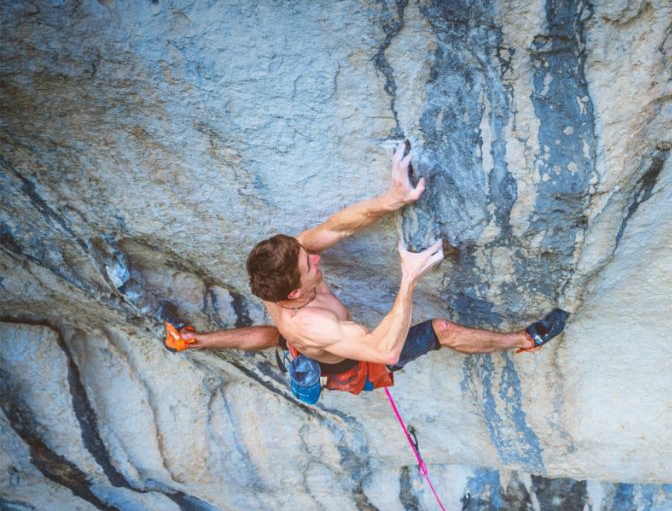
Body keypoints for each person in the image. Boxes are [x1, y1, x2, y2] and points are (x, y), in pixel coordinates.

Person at [164, 144, 568, 395]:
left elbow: (336, 227)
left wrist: (391, 200)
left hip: (303, 344)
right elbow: (384, 350)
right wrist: (408, 277)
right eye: (310, 265)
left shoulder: (283, 266)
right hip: (347, 359)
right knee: (440, 332)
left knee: (274, 336)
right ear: (293, 294)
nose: (315, 257)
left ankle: (194, 341)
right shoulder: (311, 325)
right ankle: (526, 338)